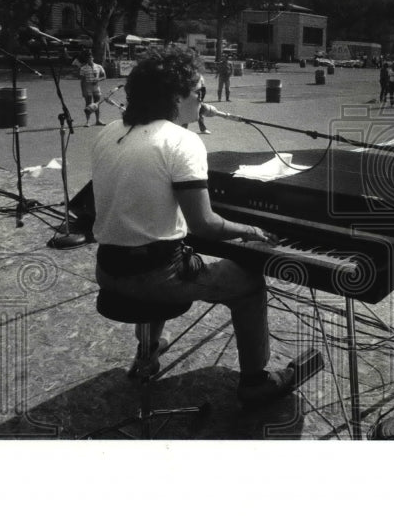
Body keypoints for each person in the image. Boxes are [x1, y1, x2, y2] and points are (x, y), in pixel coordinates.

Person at [91, 47, 296, 405]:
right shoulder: (183, 142)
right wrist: (250, 230)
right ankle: (255, 382)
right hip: (154, 276)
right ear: (176, 97)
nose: (203, 99)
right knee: (248, 282)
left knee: (164, 248)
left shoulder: (109, 132)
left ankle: (148, 353)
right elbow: (204, 225)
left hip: (108, 270)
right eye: (198, 93)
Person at [78, 51, 107, 126]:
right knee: (88, 104)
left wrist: (98, 79)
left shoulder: (99, 66)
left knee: (97, 103)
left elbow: (104, 76)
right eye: (88, 58)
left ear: (93, 58)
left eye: (90, 57)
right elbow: (82, 81)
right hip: (88, 86)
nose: (89, 59)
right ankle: (87, 122)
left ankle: (98, 120)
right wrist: (83, 91)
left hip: (96, 87)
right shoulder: (83, 68)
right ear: (86, 59)